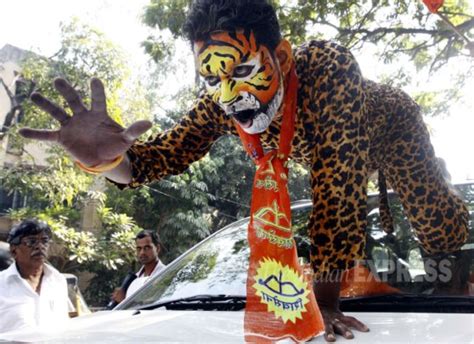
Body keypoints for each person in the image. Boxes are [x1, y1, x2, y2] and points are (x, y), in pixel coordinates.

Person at [19, 0, 469, 341]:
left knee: (436, 222)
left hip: (391, 130)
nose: (230, 94)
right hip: (327, 158)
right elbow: (158, 158)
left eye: (242, 71)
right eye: (213, 79)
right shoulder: (223, 101)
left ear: (283, 58)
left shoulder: (329, 69)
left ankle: (446, 240)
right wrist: (106, 160)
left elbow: (338, 188)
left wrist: (323, 305)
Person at [0, 219, 69, 333]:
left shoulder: (58, 281)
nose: (39, 246)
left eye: (44, 241)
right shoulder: (2, 284)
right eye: (31, 241)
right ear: (13, 250)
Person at [111, 230, 166, 304]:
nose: (142, 252)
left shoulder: (165, 275)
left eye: (147, 248)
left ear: (158, 248)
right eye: (139, 248)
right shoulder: (134, 279)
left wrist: (124, 301)